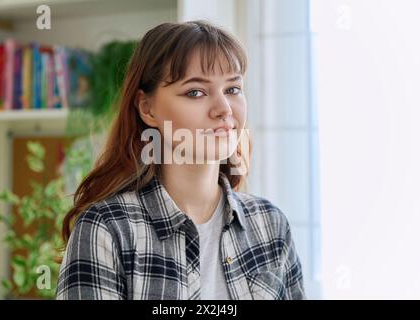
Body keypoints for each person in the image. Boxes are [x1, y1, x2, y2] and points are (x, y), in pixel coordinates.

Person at [56, 20, 305, 300]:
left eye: (233, 89)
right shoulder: (107, 229)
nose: (224, 109)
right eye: (195, 92)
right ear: (147, 108)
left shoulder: (270, 224)